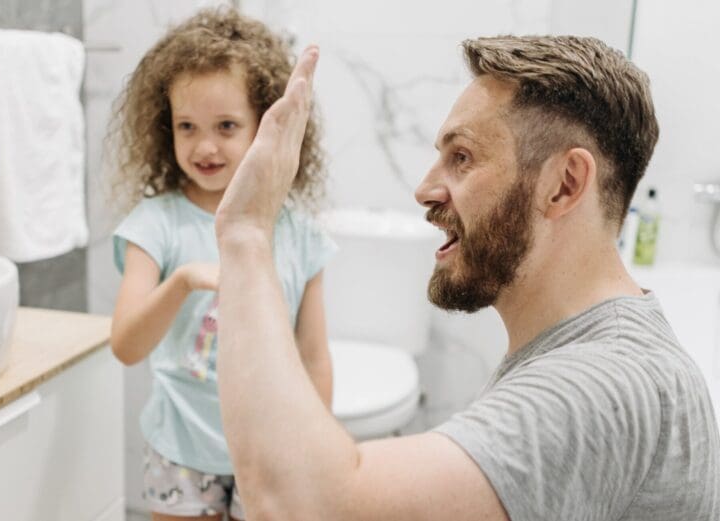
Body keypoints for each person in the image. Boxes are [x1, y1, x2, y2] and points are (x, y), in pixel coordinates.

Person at [213, 37, 720, 520]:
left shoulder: (601, 384)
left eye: (461, 157)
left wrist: (246, 232)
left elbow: (303, 506)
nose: (425, 189)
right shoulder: (591, 351)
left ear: (564, 185)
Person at [108, 8, 335, 520]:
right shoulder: (155, 225)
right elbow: (126, 345)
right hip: (182, 449)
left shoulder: (299, 233)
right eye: (187, 126)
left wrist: (319, 447)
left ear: (265, 126)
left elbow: (314, 355)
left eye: (227, 126)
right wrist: (184, 281)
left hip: (272, 447)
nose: (204, 146)